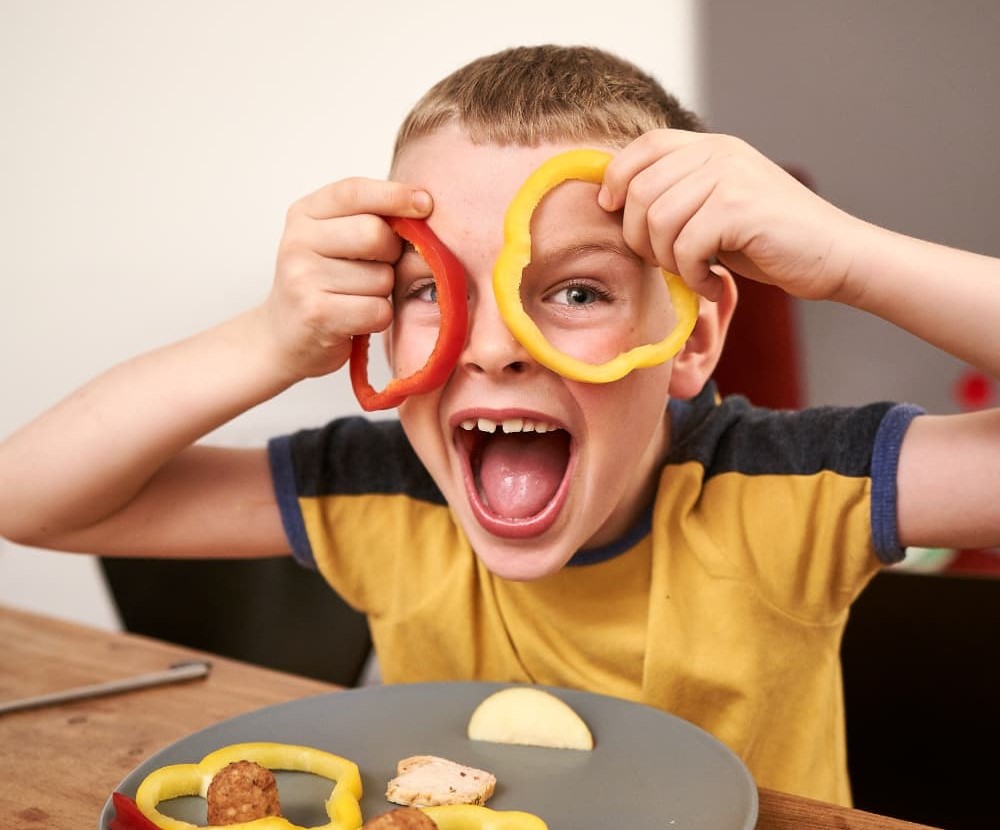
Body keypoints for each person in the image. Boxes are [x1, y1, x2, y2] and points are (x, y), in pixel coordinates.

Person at [0, 44, 997, 806]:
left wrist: (852, 258)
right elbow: (29, 496)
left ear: (692, 336)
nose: (490, 347)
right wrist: (267, 341)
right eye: (431, 289)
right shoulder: (378, 489)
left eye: (571, 289)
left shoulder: (792, 486)